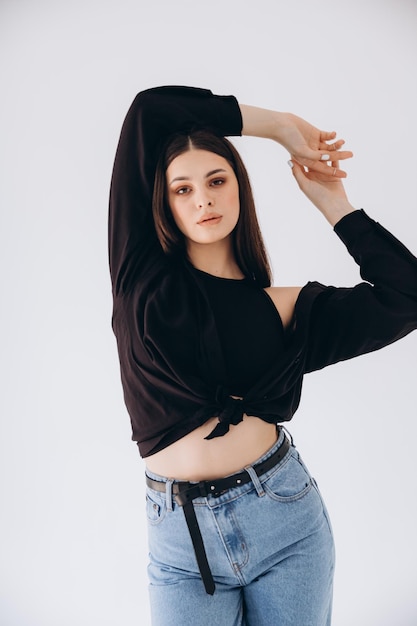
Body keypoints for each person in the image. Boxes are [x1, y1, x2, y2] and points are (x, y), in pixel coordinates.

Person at [108, 86, 417, 626]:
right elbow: (148, 110)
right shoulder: (142, 279)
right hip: (182, 544)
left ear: (239, 191)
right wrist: (278, 126)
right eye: (183, 189)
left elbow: (405, 296)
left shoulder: (285, 311)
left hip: (284, 521)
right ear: (164, 203)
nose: (202, 198)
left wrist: (334, 203)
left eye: (217, 181)